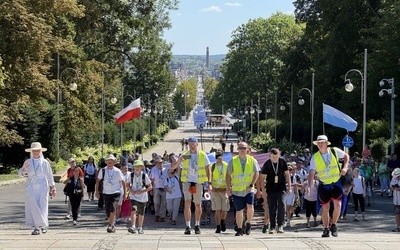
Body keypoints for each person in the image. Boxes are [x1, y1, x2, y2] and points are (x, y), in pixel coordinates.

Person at [307, 135, 349, 237]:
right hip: (324, 184)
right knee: (325, 207)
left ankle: (333, 225)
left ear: (326, 143)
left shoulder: (334, 151)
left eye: (322, 142)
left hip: (336, 182)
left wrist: (345, 168)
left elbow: (346, 156)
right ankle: (325, 228)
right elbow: (311, 172)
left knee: (338, 205)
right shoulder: (315, 157)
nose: (320, 144)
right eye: (318, 143)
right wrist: (309, 185)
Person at [171, 136, 211, 235]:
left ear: (197, 144)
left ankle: (197, 224)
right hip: (187, 181)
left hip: (198, 182)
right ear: (188, 145)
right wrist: (179, 160)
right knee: (187, 202)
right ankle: (188, 226)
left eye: (194, 144)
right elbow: (173, 167)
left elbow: (208, 170)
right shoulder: (186, 155)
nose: (192, 146)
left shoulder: (202, 155)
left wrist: (209, 183)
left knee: (198, 204)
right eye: (190, 144)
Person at [18, 142, 56, 235]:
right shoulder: (28, 162)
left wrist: (53, 187)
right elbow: (20, 174)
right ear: (31, 151)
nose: (35, 152)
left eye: (37, 151)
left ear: (40, 151)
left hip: (42, 185)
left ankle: (43, 225)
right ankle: (36, 227)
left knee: (42, 205)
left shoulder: (45, 162)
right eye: (34, 151)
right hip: (31, 186)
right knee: (33, 206)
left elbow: (49, 175)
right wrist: (25, 169)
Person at [226, 141, 260, 236]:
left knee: (250, 206)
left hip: (249, 188)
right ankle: (240, 229)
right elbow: (228, 175)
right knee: (239, 210)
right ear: (237, 149)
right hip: (237, 189)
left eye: (244, 148)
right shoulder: (233, 160)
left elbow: (257, 173)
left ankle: (248, 222)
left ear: (247, 149)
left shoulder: (252, 160)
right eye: (240, 148)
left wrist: (252, 184)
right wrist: (228, 187)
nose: (242, 150)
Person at [260, 148, 291, 234]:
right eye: (273, 157)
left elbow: (287, 174)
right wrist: (263, 191)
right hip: (270, 188)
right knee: (272, 207)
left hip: (281, 187)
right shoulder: (267, 163)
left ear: (279, 155)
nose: (275, 159)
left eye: (276, 157)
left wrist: (290, 187)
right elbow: (262, 178)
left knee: (282, 204)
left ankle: (280, 225)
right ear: (270, 155)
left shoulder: (282, 162)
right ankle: (272, 226)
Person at [95, 154, 126, 233]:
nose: (110, 162)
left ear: (114, 162)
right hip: (106, 193)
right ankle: (112, 224)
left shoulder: (117, 171)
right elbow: (98, 181)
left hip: (116, 192)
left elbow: (123, 182)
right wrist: (97, 191)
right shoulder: (103, 170)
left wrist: (125, 193)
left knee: (113, 208)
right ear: (106, 162)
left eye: (111, 161)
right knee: (108, 211)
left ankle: (111, 224)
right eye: (108, 161)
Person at [126, 160, 152, 234]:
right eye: (136, 167)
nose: (137, 168)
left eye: (138, 167)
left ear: (141, 168)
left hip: (142, 197)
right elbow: (127, 184)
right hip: (133, 196)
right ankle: (133, 226)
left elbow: (150, 187)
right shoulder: (131, 175)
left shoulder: (144, 176)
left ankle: (140, 227)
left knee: (141, 213)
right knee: (133, 210)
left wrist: (141, 191)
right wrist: (131, 191)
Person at [210, 150, 230, 233]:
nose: (220, 160)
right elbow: (210, 176)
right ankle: (218, 226)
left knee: (224, 209)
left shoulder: (226, 165)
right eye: (218, 158)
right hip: (216, 190)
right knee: (217, 209)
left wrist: (229, 186)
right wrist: (210, 185)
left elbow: (229, 176)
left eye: (221, 158)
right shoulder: (212, 166)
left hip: (224, 189)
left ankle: (222, 220)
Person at [150, 156, 167, 222]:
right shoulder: (153, 169)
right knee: (156, 203)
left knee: (164, 203)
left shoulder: (165, 170)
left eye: (161, 163)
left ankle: (162, 216)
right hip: (156, 187)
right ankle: (157, 214)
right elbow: (152, 180)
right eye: (158, 163)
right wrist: (151, 189)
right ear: (156, 163)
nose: (160, 164)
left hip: (164, 188)